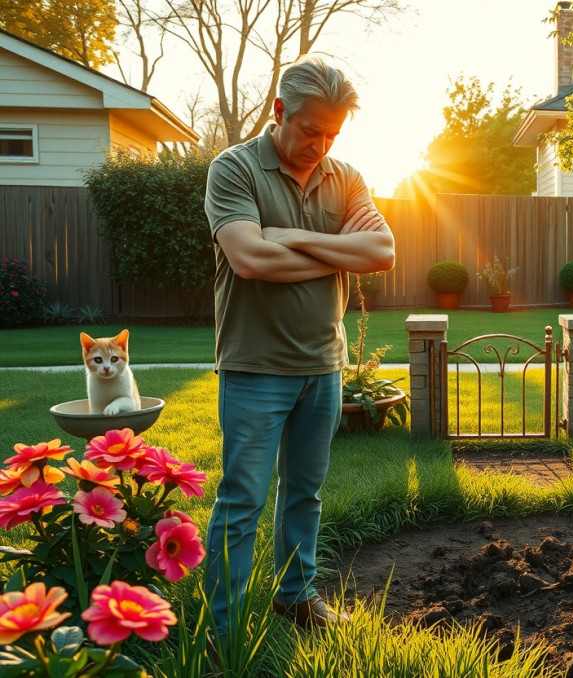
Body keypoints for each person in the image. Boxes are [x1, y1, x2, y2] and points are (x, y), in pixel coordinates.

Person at [202, 56, 394, 635]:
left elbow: (382, 252)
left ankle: (295, 596)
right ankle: (226, 632)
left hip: (324, 366)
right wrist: (336, 250)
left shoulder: (346, 177)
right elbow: (250, 258)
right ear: (279, 109)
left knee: (304, 495)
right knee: (242, 502)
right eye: (311, 130)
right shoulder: (234, 169)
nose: (321, 145)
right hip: (255, 368)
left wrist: (290, 237)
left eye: (332, 134)